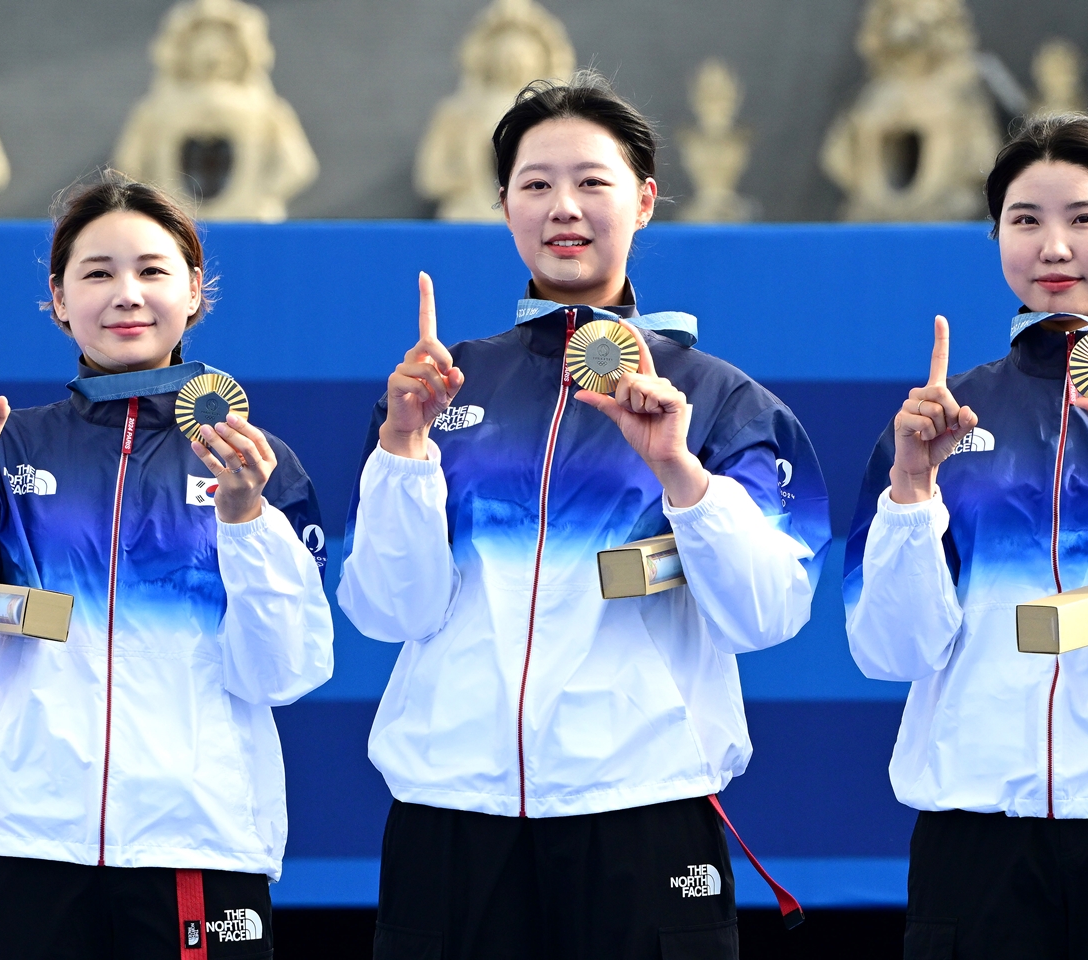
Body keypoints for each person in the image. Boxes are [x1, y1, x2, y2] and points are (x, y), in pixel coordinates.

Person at [338, 73, 830, 959]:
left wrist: (679, 472)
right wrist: (401, 450)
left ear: (642, 200)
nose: (564, 207)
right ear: (504, 205)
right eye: (536, 184)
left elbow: (769, 615)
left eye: (592, 183)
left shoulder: (721, 401)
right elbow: (385, 612)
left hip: (642, 816)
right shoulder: (440, 388)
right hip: (453, 816)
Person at [844, 113, 1088, 959]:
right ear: (996, 236)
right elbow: (890, 651)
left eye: (1084, 218)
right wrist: (912, 486)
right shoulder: (939, 417)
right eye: (1026, 220)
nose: (1054, 247)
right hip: (975, 831)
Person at [0, 171, 334, 960]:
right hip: (28, 841)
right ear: (57, 299)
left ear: (194, 291)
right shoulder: (4, 449)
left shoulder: (258, 464)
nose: (126, 293)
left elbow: (285, 672)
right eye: (97, 272)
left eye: (152, 271)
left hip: (197, 843)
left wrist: (246, 519)